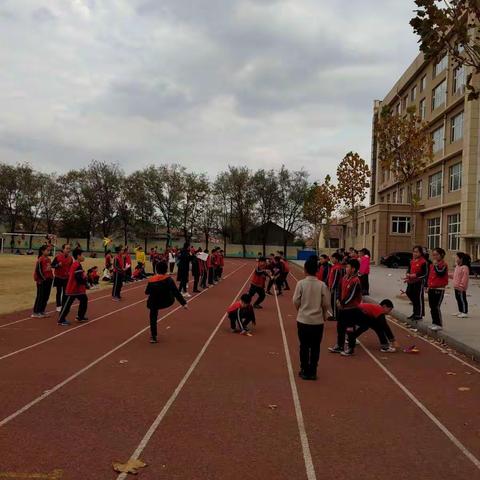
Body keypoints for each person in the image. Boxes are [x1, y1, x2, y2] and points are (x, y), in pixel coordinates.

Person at [293, 256, 332, 380]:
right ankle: (313, 371)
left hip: (303, 320)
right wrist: (324, 313)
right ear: (317, 270)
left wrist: (300, 309)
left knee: (304, 346)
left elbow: (295, 300)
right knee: (315, 347)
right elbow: (326, 303)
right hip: (317, 322)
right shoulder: (322, 285)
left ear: (305, 270)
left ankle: (304, 369)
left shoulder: (301, 284)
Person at [145, 261, 187, 343]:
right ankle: (153, 336)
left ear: (156, 270)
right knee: (171, 291)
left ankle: (153, 336)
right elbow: (176, 292)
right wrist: (183, 303)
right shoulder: (169, 280)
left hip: (153, 302)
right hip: (167, 301)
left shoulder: (151, 280)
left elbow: (147, 292)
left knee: (153, 317)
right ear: (166, 270)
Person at [328, 258, 362, 356]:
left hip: (351, 309)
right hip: (343, 308)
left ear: (353, 269)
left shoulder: (356, 281)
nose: (346, 268)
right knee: (340, 327)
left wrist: (342, 303)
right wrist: (338, 299)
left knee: (350, 329)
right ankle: (340, 345)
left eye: (348, 267)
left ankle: (351, 348)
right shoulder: (344, 278)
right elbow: (339, 289)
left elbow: (351, 295)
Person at [57, 247, 89, 326]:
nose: (83, 257)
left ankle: (80, 316)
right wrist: (85, 283)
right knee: (67, 304)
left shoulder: (78, 264)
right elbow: (78, 278)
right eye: (82, 255)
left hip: (78, 289)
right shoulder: (76, 265)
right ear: (78, 256)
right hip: (72, 288)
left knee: (84, 299)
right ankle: (61, 319)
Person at [427, 247, 448, 331]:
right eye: (433, 255)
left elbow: (440, 273)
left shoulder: (443, 264)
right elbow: (429, 276)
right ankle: (434, 322)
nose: (435, 257)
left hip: (439, 289)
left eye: (436, 255)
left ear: (441, 255)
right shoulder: (432, 265)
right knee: (431, 306)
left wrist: (436, 265)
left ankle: (439, 324)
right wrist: (427, 286)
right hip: (431, 287)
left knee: (436, 306)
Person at [405, 245, 428, 321]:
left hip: (419, 282)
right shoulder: (412, 261)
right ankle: (415, 312)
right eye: (414, 252)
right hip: (411, 281)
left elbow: (425, 273)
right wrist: (408, 274)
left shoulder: (423, 262)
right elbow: (409, 269)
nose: (415, 253)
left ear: (420, 253)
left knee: (418, 298)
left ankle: (419, 314)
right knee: (409, 293)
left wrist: (415, 275)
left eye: (416, 252)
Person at [32, 245, 54, 318]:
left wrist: (51, 277)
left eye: (49, 250)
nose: (49, 252)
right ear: (42, 251)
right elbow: (38, 271)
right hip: (42, 280)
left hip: (49, 279)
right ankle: (36, 312)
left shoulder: (48, 259)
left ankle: (42, 311)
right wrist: (43, 278)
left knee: (46, 296)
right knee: (40, 296)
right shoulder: (40, 259)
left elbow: (49, 269)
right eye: (47, 250)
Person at [51, 243, 73, 312]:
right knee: (59, 291)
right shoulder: (58, 257)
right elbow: (52, 265)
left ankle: (64, 305)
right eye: (67, 248)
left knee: (65, 292)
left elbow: (71, 267)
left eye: (69, 248)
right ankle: (58, 305)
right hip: (58, 277)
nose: (68, 250)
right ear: (63, 249)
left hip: (66, 277)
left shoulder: (70, 258)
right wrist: (58, 265)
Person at [452, 252, 470, 318]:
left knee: (462, 299)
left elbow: (465, 278)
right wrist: (447, 274)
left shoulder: (464, 267)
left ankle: (465, 312)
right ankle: (460, 311)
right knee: (458, 299)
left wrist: (461, 286)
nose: (455, 259)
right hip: (456, 287)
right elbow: (454, 275)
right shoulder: (457, 266)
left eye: (457, 257)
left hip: (461, 288)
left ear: (461, 259)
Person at [327, 252, 343, 320]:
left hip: (336, 288)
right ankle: (335, 314)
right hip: (333, 287)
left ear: (336, 259)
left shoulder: (337, 267)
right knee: (332, 301)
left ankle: (336, 316)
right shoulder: (334, 266)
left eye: (332, 258)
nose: (331, 260)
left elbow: (336, 279)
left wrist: (333, 287)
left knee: (334, 302)